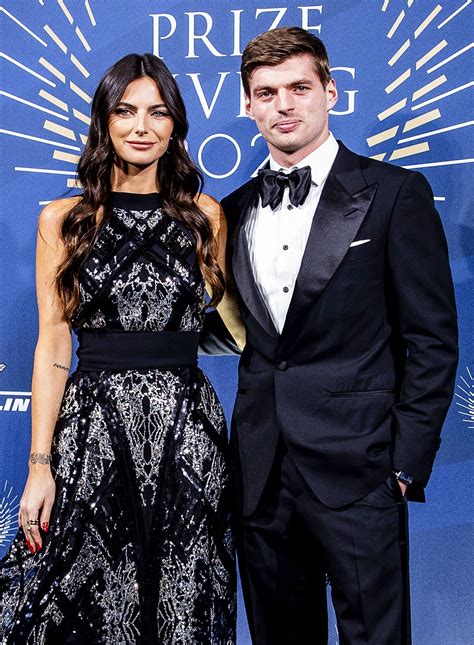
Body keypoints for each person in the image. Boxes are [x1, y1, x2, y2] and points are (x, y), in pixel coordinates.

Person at [220, 27, 458, 644]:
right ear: (247, 105)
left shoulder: (395, 194)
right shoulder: (231, 210)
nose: (284, 105)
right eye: (266, 93)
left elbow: (432, 340)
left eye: (300, 88)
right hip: (261, 475)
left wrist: (404, 464)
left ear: (331, 92)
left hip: (362, 470)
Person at [0, 53, 243, 644]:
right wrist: (39, 467)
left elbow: (233, 326)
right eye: (126, 111)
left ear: (175, 125)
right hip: (93, 431)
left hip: (188, 432)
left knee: (184, 597)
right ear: (103, 121)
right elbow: (53, 341)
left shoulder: (206, 217)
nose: (141, 127)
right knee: (82, 598)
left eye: (158, 113)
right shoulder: (64, 220)